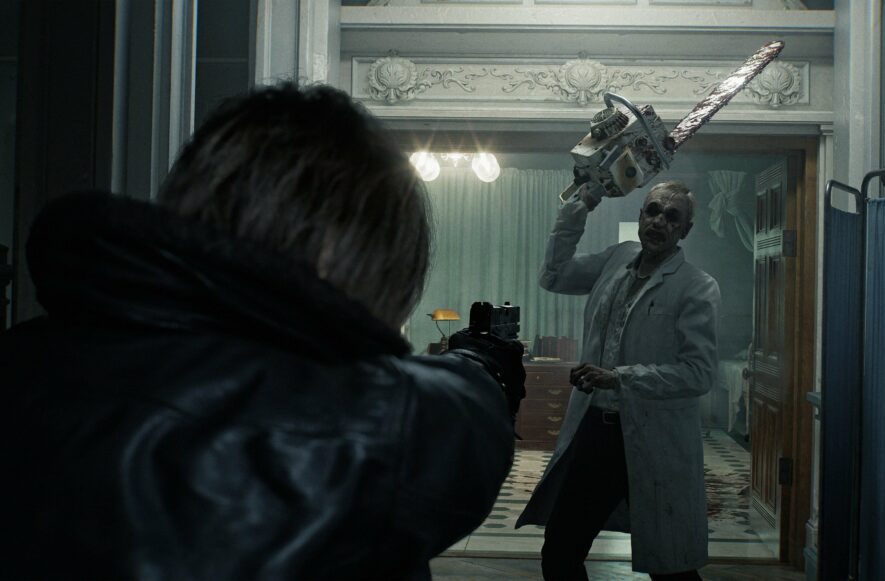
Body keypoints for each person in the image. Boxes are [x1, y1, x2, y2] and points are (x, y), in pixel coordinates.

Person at [0, 84, 524, 580]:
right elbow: (454, 415)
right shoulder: (365, 426)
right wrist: (481, 359)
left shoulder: (25, 358)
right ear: (351, 252)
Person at [516, 180, 720, 580]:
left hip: (653, 437)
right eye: (653, 211)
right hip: (596, 431)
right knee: (560, 550)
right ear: (641, 216)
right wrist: (578, 208)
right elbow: (554, 275)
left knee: (671, 565)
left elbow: (698, 373)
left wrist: (619, 378)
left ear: (685, 230)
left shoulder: (696, 286)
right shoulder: (618, 259)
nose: (659, 221)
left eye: (672, 216)